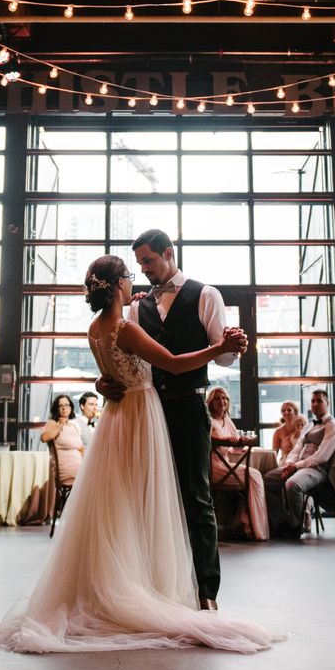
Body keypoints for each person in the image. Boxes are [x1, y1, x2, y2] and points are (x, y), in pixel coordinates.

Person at [0, 255, 274, 653]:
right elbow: (171, 362)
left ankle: (152, 583)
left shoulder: (95, 328)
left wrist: (104, 382)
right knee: (144, 499)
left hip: (118, 420)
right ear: (119, 285)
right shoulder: (126, 325)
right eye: (131, 274)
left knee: (121, 502)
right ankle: (142, 588)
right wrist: (219, 347)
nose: (137, 279)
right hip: (140, 416)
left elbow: (111, 367)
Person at [94, 228, 242, 610]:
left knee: (196, 497)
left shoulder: (206, 294)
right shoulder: (134, 308)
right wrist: (103, 380)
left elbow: (223, 358)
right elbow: (127, 359)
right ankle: (157, 585)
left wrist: (231, 346)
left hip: (188, 407)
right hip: (147, 413)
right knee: (150, 498)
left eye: (148, 260)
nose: (143, 269)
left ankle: (206, 591)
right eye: (139, 263)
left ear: (169, 253)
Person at [264, 389, 335, 539]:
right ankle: (283, 521)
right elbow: (296, 449)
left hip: (317, 470)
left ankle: (296, 526)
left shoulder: (333, 426)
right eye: (313, 401)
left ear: (328, 403)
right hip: (297, 466)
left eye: (319, 401)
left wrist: (295, 466)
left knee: (292, 484)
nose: (315, 404)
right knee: (265, 481)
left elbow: (322, 456)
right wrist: (289, 464)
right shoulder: (308, 426)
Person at [206, 387, 268, 542]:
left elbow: (234, 446)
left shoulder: (227, 420)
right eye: (217, 399)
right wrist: (228, 442)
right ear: (211, 403)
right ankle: (253, 527)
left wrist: (241, 443)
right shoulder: (210, 422)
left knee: (255, 476)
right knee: (254, 476)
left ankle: (246, 521)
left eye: (225, 398)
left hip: (226, 465)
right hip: (215, 468)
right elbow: (209, 445)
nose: (222, 401)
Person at [40, 393, 85, 486]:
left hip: (79, 468)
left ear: (71, 408)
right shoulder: (53, 423)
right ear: (56, 409)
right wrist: (60, 425)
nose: (64, 408)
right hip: (67, 471)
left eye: (66, 405)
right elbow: (44, 438)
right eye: (60, 405)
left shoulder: (73, 426)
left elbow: (80, 448)